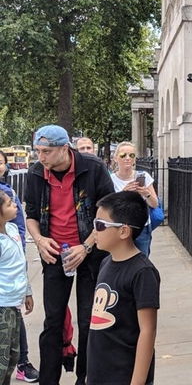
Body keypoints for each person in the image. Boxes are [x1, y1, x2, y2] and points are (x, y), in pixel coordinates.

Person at [25, 124, 115, 385]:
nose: (41, 157)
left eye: (47, 151)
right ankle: (48, 379)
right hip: (54, 254)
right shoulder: (35, 172)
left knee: (89, 319)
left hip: (90, 252)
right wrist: (40, 240)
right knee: (53, 320)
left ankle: (85, 378)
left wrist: (86, 246)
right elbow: (31, 214)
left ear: (65, 148)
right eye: (38, 151)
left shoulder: (92, 167)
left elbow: (108, 213)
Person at [87, 191, 160, 385]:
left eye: (100, 225)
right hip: (99, 372)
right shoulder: (105, 263)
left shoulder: (142, 272)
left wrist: (136, 382)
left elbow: (148, 331)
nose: (94, 231)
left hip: (123, 373)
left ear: (123, 231)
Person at [0, 151, 39, 383]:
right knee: (2, 359)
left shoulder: (13, 231)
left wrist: (27, 291)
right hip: (2, 306)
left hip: (14, 304)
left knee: (13, 355)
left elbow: (19, 265)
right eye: (9, 203)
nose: (15, 204)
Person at [110, 142, 159, 256]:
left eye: (131, 155)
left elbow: (155, 204)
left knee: (142, 261)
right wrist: (124, 193)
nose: (127, 158)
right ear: (116, 158)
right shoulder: (110, 180)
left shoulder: (144, 176)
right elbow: (109, 206)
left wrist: (146, 193)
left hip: (141, 227)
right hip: (120, 228)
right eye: (123, 155)